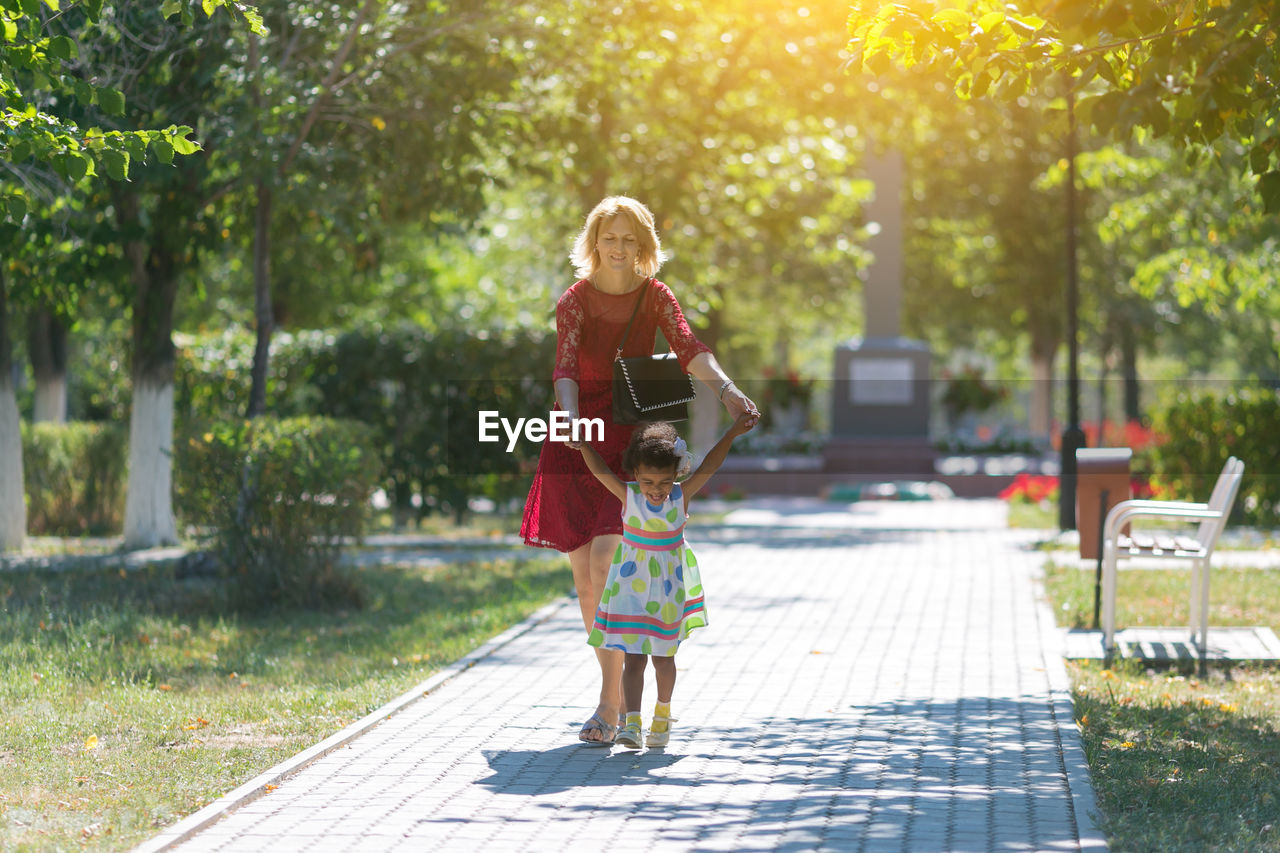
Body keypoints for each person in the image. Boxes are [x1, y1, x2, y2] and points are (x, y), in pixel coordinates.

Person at [519, 196, 759, 746]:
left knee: (607, 561)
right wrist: (573, 420)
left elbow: (688, 347)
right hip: (577, 436)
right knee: (584, 581)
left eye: (630, 240)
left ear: (643, 245)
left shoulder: (656, 297)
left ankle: (613, 705)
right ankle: (608, 693)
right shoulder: (574, 301)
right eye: (610, 238)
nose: (619, 249)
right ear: (595, 242)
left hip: (631, 437)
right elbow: (566, 367)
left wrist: (726, 389)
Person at [578, 415, 755, 748]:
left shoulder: (679, 497)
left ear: (675, 475)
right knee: (633, 657)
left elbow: (710, 465)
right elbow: (600, 469)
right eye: (647, 481)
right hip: (631, 589)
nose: (656, 490)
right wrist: (583, 443)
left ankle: (662, 715)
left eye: (663, 482)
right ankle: (631, 723)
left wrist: (732, 431)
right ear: (635, 476)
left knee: (663, 658)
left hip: (666, 591)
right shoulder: (629, 496)